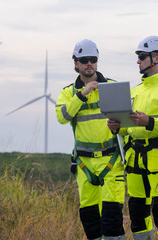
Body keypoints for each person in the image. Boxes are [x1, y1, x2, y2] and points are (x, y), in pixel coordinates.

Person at [108, 36, 158, 240]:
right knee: (137, 215)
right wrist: (117, 127)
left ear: (156, 58)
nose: (138, 61)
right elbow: (129, 128)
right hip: (134, 160)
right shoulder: (134, 91)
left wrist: (149, 122)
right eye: (138, 57)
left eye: (142, 56)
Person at [55, 39, 125, 240]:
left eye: (93, 59)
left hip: (110, 161)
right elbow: (62, 117)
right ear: (75, 63)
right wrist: (82, 94)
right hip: (84, 164)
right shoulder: (68, 93)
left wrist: (120, 125)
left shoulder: (112, 87)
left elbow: (127, 121)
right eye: (84, 60)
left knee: (112, 220)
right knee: (90, 221)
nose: (89, 64)